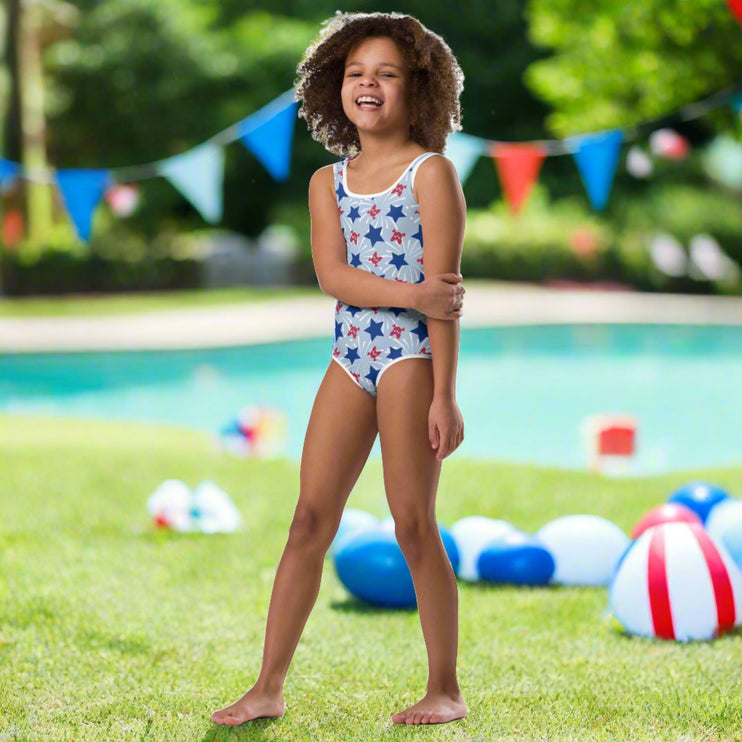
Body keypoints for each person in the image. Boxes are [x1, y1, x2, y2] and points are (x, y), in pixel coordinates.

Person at [211, 11, 467, 727]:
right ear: (334, 86)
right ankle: (266, 687)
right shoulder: (330, 183)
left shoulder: (432, 174)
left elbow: (443, 300)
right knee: (307, 521)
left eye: (386, 73)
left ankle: (444, 688)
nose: (369, 85)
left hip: (412, 359)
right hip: (349, 356)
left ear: (416, 88)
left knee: (414, 524)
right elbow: (333, 276)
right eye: (356, 73)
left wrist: (446, 395)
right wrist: (409, 293)